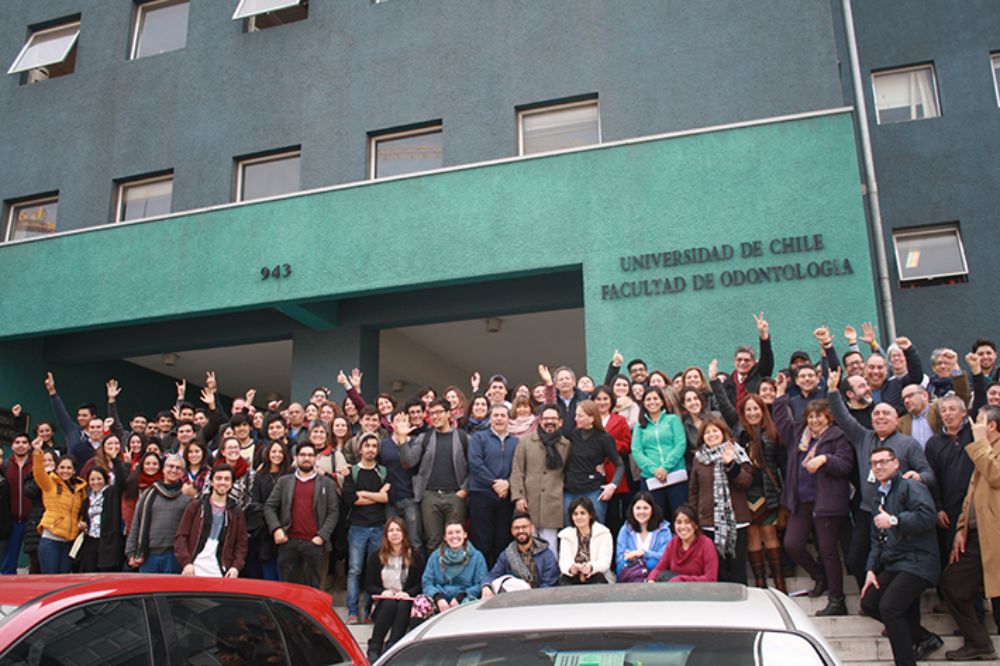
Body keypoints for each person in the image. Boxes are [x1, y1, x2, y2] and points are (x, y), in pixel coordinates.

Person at [827, 367, 935, 588]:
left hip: (899, 512)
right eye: (877, 414)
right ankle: (871, 595)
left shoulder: (908, 443)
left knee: (894, 562)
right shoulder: (863, 437)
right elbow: (843, 417)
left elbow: (929, 474)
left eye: (887, 414)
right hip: (868, 510)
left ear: (897, 419)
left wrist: (918, 476)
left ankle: (890, 601)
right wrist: (831, 391)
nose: (881, 417)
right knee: (856, 558)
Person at [772, 386, 853, 615]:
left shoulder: (837, 436)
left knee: (828, 550)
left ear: (828, 418)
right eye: (811, 416)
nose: (815, 420)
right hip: (801, 501)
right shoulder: (799, 435)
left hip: (827, 503)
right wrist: (780, 397)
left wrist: (825, 459)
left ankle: (837, 601)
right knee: (792, 544)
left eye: (819, 416)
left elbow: (846, 465)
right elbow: (781, 422)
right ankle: (820, 575)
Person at [860, 447, 942, 666]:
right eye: (874, 463)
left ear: (896, 464)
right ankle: (923, 638)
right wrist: (870, 571)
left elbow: (927, 517)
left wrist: (895, 520)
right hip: (895, 562)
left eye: (884, 461)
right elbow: (876, 540)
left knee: (889, 607)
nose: (879, 466)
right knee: (869, 603)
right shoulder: (878, 496)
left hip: (920, 560)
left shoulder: (910, 486)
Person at [711, 362, 786, 591]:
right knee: (752, 537)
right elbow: (724, 405)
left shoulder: (773, 433)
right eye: (749, 409)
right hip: (745, 492)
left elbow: (782, 464)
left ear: (763, 411)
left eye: (757, 409)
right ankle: (761, 585)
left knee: (769, 535)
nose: (753, 413)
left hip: (769, 491)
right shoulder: (738, 430)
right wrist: (714, 381)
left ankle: (780, 585)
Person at [940, 409, 1000, 661]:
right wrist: (960, 529)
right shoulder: (983, 450)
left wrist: (981, 443)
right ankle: (979, 642)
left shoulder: (985, 449)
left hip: (994, 536)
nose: (975, 426)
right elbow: (971, 496)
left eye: (981, 423)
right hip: (974, 536)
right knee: (952, 584)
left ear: (993, 426)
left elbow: (996, 476)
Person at [263, 442, 340, 587]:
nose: (306, 458)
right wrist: (276, 529)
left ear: (316, 459)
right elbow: (269, 507)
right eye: (303, 455)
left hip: (314, 544)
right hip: (288, 542)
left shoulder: (327, 483)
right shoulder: (284, 482)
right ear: (296, 458)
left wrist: (322, 536)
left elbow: (333, 512)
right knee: (287, 589)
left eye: (310, 455)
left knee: (313, 589)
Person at [688, 416, 753, 584]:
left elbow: (746, 482)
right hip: (709, 522)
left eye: (715, 431)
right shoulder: (699, 459)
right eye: (707, 432)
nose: (711, 435)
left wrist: (731, 464)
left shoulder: (736, 452)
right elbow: (694, 491)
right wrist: (695, 517)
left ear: (723, 433)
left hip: (736, 521)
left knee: (737, 568)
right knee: (717, 569)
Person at [399, 399, 469, 551]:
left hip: (455, 495)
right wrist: (402, 440)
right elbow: (408, 462)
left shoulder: (463, 437)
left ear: (448, 414)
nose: (435, 417)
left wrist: (464, 491)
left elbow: (474, 467)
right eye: (432, 414)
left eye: (439, 412)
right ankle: (436, 574)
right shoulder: (424, 438)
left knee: (456, 540)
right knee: (433, 541)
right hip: (430, 496)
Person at [342, 433, 390, 624]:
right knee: (355, 570)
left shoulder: (383, 471)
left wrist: (364, 494)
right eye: (367, 446)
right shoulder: (352, 471)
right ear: (360, 449)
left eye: (374, 446)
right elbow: (350, 499)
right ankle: (353, 611)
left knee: (375, 570)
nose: (371, 449)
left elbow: (387, 499)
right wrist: (376, 495)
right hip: (358, 527)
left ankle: (371, 612)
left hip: (378, 527)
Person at [510, 405, 570, 554]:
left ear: (560, 422)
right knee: (527, 547)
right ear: (539, 421)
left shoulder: (566, 445)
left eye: (554, 419)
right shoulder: (526, 442)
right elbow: (517, 470)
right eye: (546, 418)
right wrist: (518, 496)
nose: (550, 422)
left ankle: (550, 577)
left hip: (554, 503)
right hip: (529, 502)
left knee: (551, 549)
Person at [365, 518, 425, 663]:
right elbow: (368, 585)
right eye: (391, 530)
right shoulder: (376, 556)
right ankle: (375, 646)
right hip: (383, 604)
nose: (395, 533)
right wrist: (383, 592)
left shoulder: (415, 556)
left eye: (398, 530)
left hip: (405, 602)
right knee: (389, 603)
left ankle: (392, 646)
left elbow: (420, 583)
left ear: (404, 533)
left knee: (403, 603)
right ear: (386, 534)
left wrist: (408, 593)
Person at [467, 403, 519, 567]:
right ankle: (482, 576)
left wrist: (508, 484)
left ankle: (500, 576)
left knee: (502, 539)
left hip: (506, 496)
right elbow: (475, 463)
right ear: (490, 419)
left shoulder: (516, 442)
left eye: (503, 415)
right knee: (482, 540)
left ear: (509, 419)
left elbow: (518, 468)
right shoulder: (479, 438)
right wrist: (494, 483)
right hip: (482, 494)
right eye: (495, 415)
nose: (499, 419)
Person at [175, 464, 248, 578]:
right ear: (212, 482)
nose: (222, 482)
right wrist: (186, 563)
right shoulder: (196, 506)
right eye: (218, 478)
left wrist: (235, 567)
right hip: (193, 569)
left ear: (232, 484)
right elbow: (181, 536)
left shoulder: (236, 512)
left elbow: (241, 544)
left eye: (227, 479)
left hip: (221, 571)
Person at [125, 454, 190, 573]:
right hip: (149, 555)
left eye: (178, 468)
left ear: (182, 473)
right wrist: (131, 552)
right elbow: (136, 523)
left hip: (174, 555)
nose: (173, 470)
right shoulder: (148, 494)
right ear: (164, 469)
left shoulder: (186, 497)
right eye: (170, 466)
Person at [630, 387, 688, 520]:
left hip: (675, 474)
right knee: (654, 517)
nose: (652, 402)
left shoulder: (673, 420)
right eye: (648, 399)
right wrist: (654, 470)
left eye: (655, 398)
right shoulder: (640, 426)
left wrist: (665, 468)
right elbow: (637, 451)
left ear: (662, 401)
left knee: (680, 515)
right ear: (643, 403)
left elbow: (680, 444)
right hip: (651, 478)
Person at [32, 438, 87, 574]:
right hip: (51, 539)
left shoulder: (81, 489)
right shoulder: (50, 483)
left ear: (74, 471)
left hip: (69, 541)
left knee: (63, 579)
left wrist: (81, 523)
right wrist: (38, 452)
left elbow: (82, 511)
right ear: (56, 469)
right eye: (62, 467)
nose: (65, 471)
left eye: (69, 468)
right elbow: (39, 473)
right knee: (50, 579)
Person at [563, 400, 622, 525]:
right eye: (576, 415)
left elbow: (619, 464)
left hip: (593, 489)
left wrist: (613, 485)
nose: (576, 418)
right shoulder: (573, 434)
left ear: (591, 418)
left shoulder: (604, 438)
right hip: (570, 489)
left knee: (596, 526)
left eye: (580, 416)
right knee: (569, 528)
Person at [481, 512, 559, 596]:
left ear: (532, 528)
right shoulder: (507, 555)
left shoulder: (546, 554)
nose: (520, 531)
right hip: (514, 600)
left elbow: (550, 583)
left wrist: (532, 596)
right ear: (512, 531)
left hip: (542, 599)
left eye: (524, 527)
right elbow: (492, 575)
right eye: (516, 528)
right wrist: (486, 586)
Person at [246, 440, 289, 580]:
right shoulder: (260, 475)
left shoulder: (290, 474)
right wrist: (270, 520)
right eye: (274, 451)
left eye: (280, 452)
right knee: (268, 570)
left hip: (286, 527)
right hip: (265, 530)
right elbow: (255, 502)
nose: (277, 455)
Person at [421, 521, 488, 612]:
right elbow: (427, 582)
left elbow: (480, 583)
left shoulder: (476, 556)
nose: (454, 536)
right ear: (445, 537)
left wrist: (460, 597)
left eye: (458, 532)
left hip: (465, 597)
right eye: (450, 533)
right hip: (439, 599)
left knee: (468, 604)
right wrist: (438, 597)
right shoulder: (435, 556)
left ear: (465, 535)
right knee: (421, 602)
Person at [647, 505, 719, 582]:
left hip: (699, 590)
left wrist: (682, 580)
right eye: (679, 522)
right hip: (675, 588)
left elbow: (711, 578)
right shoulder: (673, 543)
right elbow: (659, 567)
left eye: (687, 522)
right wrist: (651, 579)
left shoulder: (706, 544)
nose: (683, 526)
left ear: (696, 525)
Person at [75, 466, 126, 572]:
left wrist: (118, 462)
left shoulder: (111, 493)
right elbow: (85, 518)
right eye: (92, 479)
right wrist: (83, 524)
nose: (96, 482)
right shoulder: (87, 500)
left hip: (108, 543)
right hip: (91, 540)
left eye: (99, 479)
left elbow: (122, 483)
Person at [614, 492, 671, 583]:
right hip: (631, 569)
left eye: (645, 508)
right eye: (638, 508)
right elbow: (619, 558)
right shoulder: (625, 529)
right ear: (632, 509)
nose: (641, 512)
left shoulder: (663, 529)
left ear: (652, 509)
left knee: (652, 563)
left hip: (654, 572)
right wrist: (629, 557)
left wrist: (643, 553)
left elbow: (665, 556)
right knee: (621, 566)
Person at [557, 497, 613, 585]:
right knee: (564, 580)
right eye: (575, 514)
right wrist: (571, 568)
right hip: (574, 575)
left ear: (590, 515)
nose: (579, 517)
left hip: (596, 574)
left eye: (582, 513)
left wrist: (591, 567)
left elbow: (605, 562)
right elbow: (564, 561)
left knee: (598, 579)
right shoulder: (565, 535)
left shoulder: (603, 533)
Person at [722, 313, 774, 408]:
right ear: (734, 361)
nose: (742, 363)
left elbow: (767, 359)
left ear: (754, 362)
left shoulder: (760, 376)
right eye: (739, 360)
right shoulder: (728, 383)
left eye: (747, 360)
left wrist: (764, 336)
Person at [2, 433, 34, 574]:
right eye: (17, 442)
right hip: (12, 520)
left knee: (36, 561)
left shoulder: (36, 465)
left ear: (29, 445)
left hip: (33, 520)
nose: (21, 445)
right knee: (8, 562)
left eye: (24, 442)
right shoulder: (5, 466)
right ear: (12, 445)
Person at [122, 452, 162, 535]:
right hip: (136, 531)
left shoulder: (164, 483)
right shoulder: (133, 482)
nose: (151, 466)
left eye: (155, 464)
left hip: (158, 532)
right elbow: (128, 510)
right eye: (147, 464)